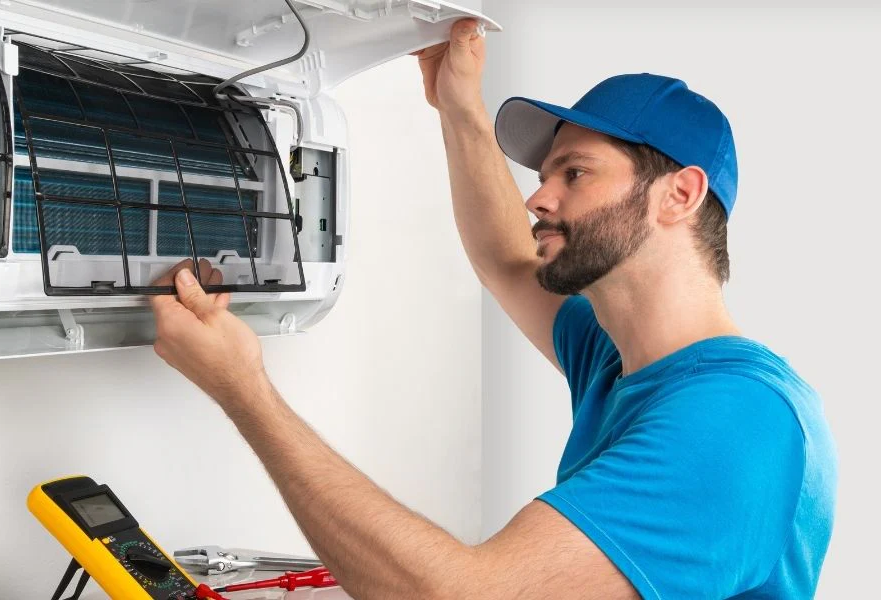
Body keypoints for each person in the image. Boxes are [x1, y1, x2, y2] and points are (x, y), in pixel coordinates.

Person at [150, 19, 837, 600]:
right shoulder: (618, 357)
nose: (539, 199)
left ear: (679, 196)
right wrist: (458, 104)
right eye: (543, 179)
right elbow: (511, 261)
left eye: (575, 173)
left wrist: (243, 390)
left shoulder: (737, 422)